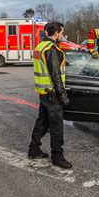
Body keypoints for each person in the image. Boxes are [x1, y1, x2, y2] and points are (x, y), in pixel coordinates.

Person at [28, 22, 72, 169]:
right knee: (56, 126)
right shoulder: (52, 49)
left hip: (43, 92)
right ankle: (57, 156)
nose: (63, 36)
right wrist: (63, 96)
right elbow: (55, 75)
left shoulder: (40, 46)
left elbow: (48, 67)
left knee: (42, 121)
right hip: (53, 94)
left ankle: (34, 149)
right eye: (62, 33)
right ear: (56, 33)